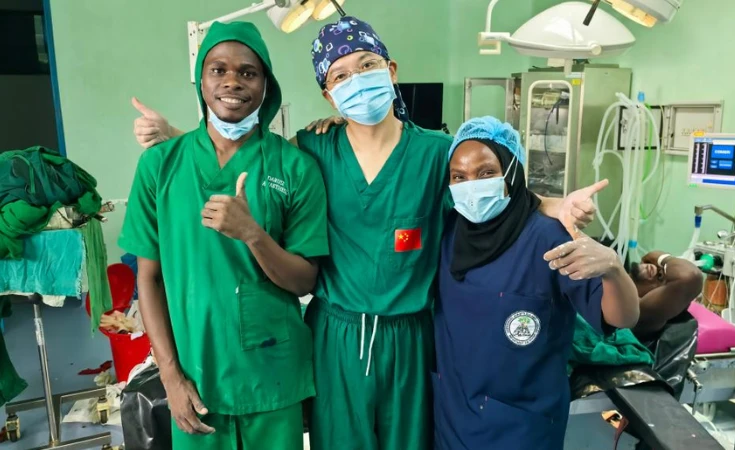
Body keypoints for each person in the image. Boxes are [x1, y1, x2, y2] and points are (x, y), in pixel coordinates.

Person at [130, 16, 602, 450]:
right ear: (327, 94)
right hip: (338, 334)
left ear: (391, 69)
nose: (356, 81)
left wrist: (555, 204)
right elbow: (244, 149)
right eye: (340, 76)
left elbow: (490, 187)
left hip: (412, 336)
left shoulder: (437, 153)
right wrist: (175, 137)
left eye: (367, 66)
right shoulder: (316, 147)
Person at [119, 21, 328, 450]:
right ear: (202, 80)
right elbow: (149, 279)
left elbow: (305, 279)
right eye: (218, 70)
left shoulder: (295, 167)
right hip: (196, 378)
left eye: (248, 72)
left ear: (266, 85)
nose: (232, 81)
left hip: (271, 376)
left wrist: (253, 235)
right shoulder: (160, 166)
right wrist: (171, 378)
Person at [434, 117, 640, 450]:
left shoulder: (548, 236)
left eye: (486, 172)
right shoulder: (448, 232)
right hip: (453, 417)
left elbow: (622, 318)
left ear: (512, 171)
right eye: (459, 177)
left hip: (522, 425)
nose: (471, 186)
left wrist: (614, 269)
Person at [627, 251, 703, 337]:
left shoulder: (642, 311)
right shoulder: (617, 288)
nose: (653, 267)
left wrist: (663, 258)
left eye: (660, 276)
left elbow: (691, 276)